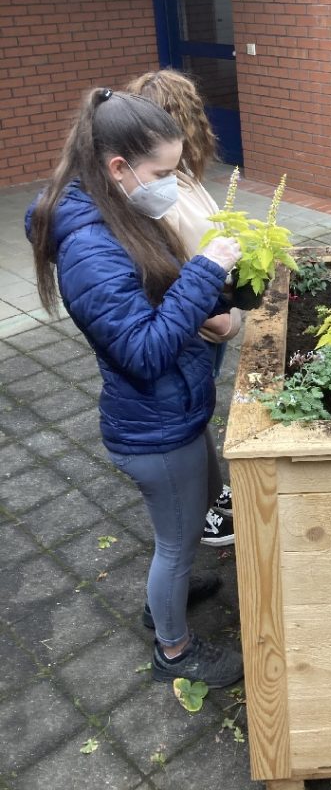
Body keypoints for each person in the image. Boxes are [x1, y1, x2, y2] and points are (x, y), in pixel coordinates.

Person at [26, 88, 245, 688]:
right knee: (175, 546)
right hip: (152, 426)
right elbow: (144, 352)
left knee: (202, 505)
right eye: (163, 173)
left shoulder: (119, 210)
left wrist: (222, 291)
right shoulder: (89, 248)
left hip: (175, 409)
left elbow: (156, 294)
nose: (171, 186)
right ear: (118, 168)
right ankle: (173, 651)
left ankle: (163, 603)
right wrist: (204, 272)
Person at [125, 68, 239, 549]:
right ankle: (204, 510)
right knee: (189, 412)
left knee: (200, 406)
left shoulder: (182, 177)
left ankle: (212, 494)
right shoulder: (155, 193)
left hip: (206, 315)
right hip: (193, 326)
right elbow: (164, 274)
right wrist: (216, 320)